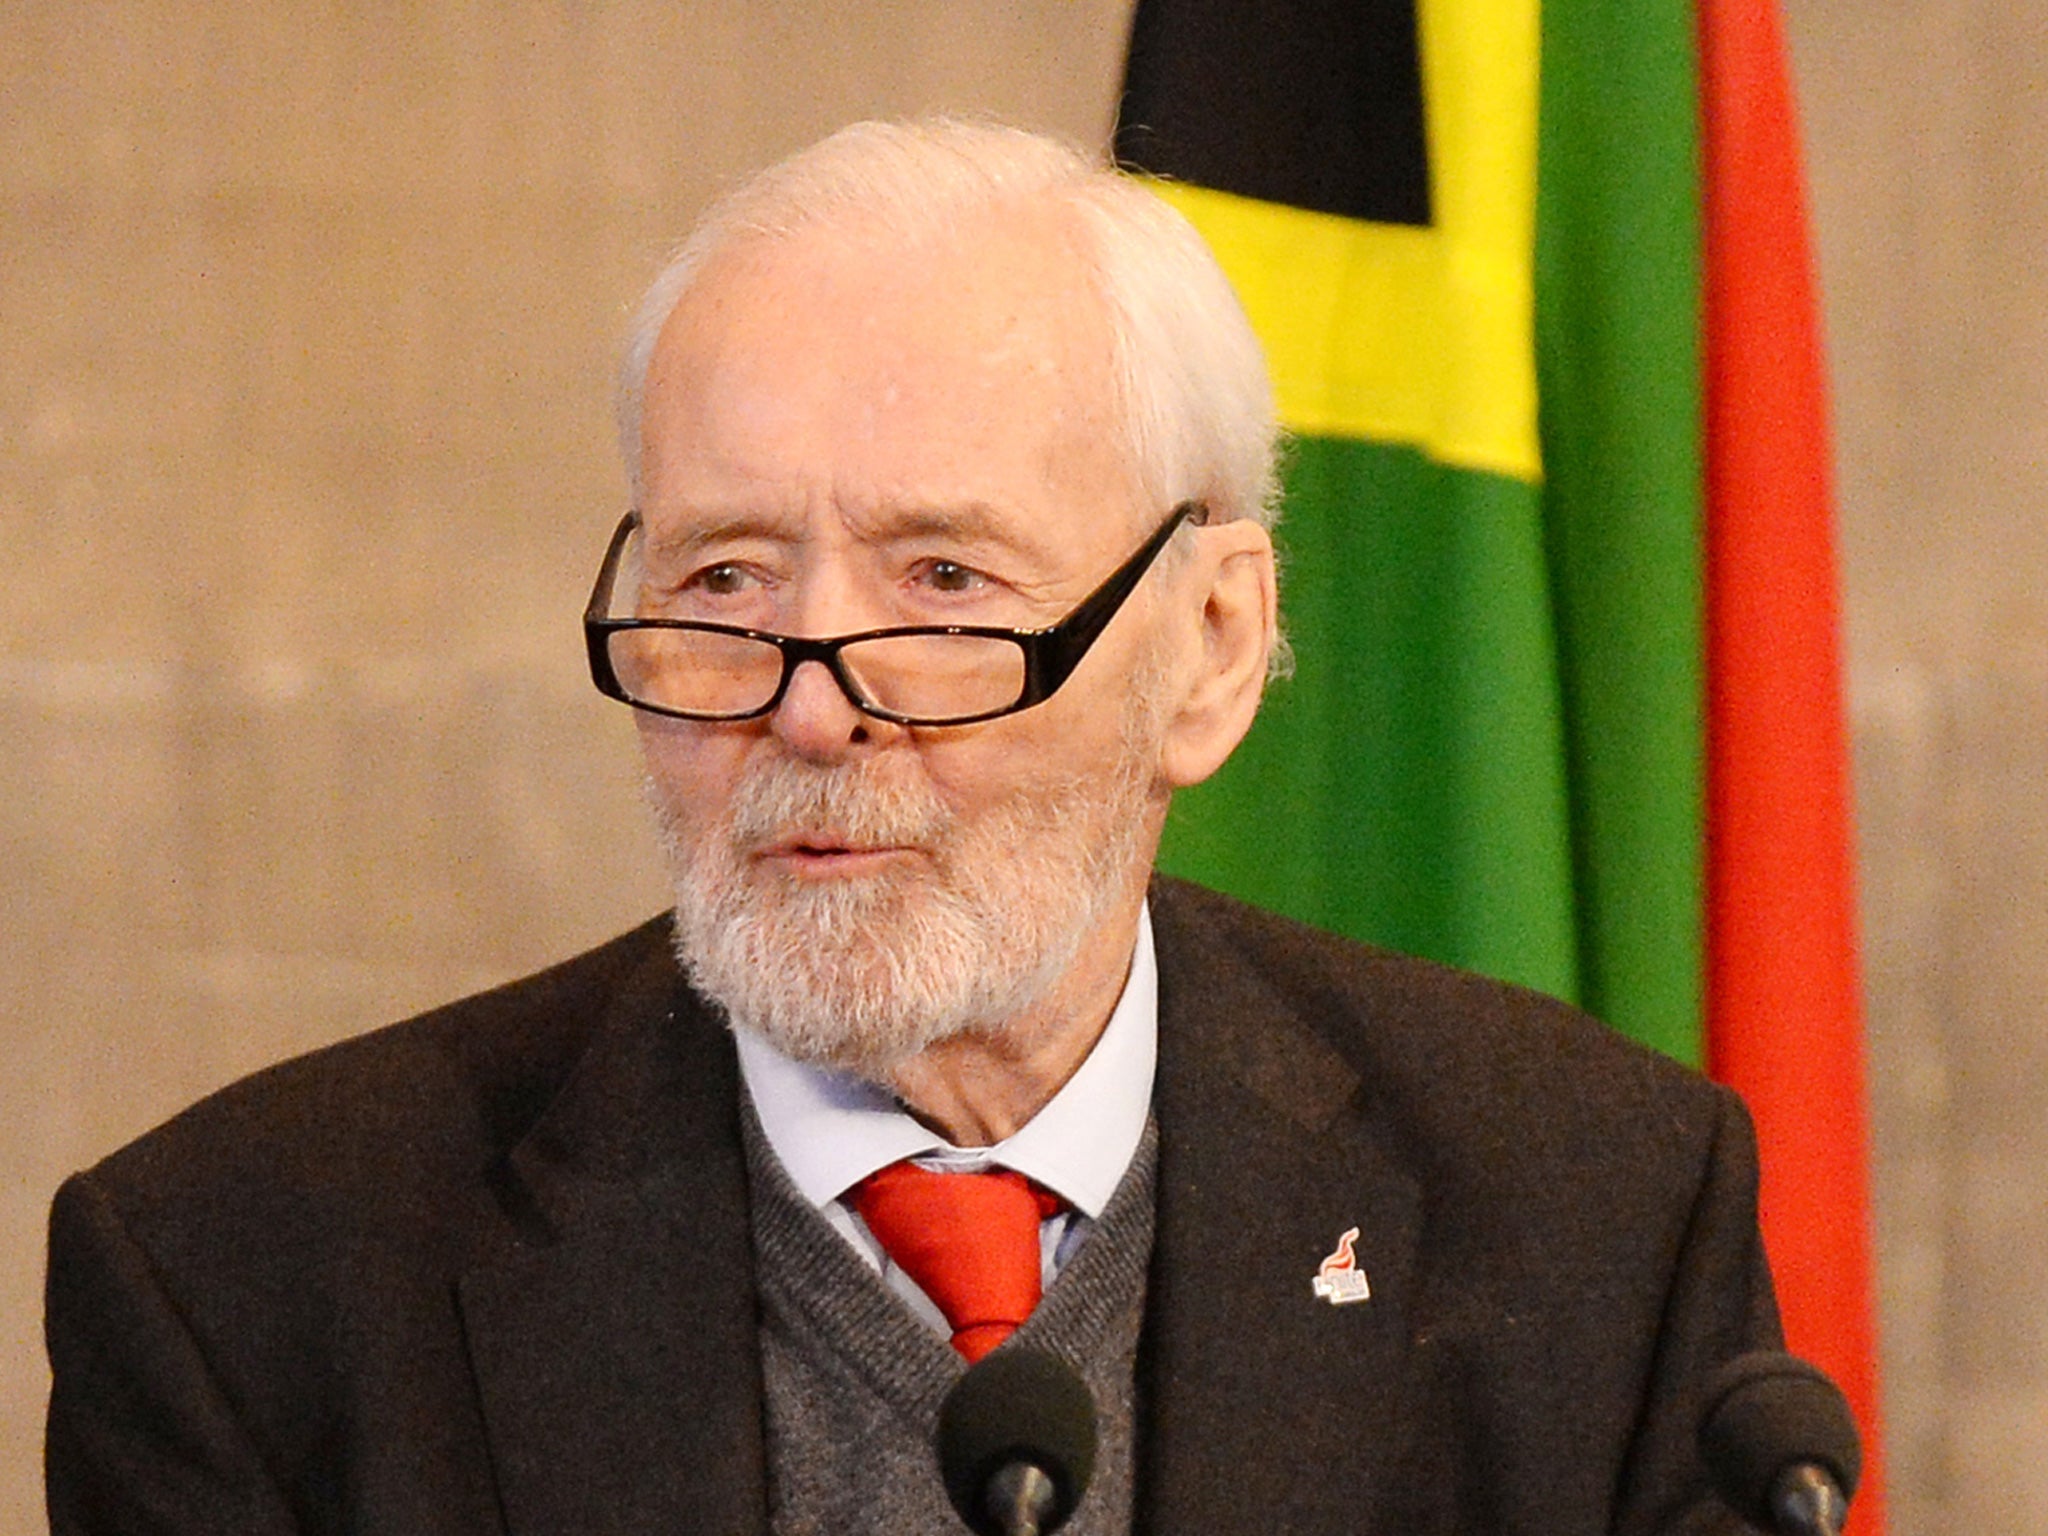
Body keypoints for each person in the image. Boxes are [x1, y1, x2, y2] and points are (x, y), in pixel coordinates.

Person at [45, 119, 1780, 1535]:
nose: (809, 708)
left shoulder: (1590, 1221)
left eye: (945, 589)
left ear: (1212, 651)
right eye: (722, 583)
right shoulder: (253, 1284)